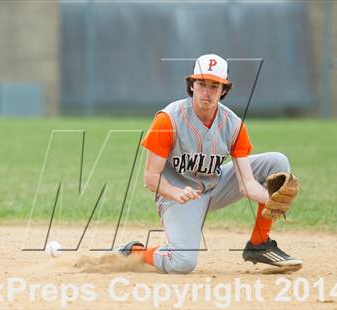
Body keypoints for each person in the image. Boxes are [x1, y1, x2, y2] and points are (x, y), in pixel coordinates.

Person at [116, 54, 302, 274]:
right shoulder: (168, 120)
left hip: (216, 185)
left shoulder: (233, 125)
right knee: (182, 263)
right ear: (192, 85)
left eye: (214, 86)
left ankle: (259, 244)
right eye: (201, 83)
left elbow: (247, 185)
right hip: (180, 196)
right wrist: (175, 192)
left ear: (224, 90)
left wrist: (272, 201)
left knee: (277, 161)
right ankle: (135, 252)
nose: (207, 91)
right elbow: (150, 177)